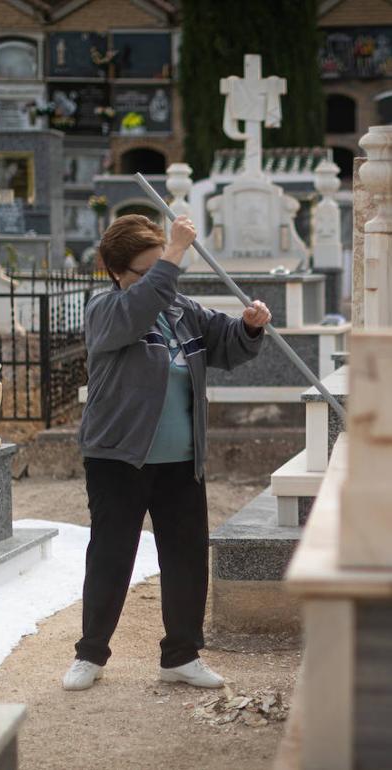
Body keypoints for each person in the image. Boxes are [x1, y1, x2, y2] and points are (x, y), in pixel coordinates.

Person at [63, 214, 271, 691]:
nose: (164, 278)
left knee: (185, 556)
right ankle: (90, 654)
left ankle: (181, 655)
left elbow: (227, 347)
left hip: (181, 460)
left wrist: (250, 326)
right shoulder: (106, 310)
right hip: (118, 457)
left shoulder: (181, 312)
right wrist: (174, 254)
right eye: (150, 269)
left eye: (165, 266)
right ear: (119, 272)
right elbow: (137, 310)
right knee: (112, 555)